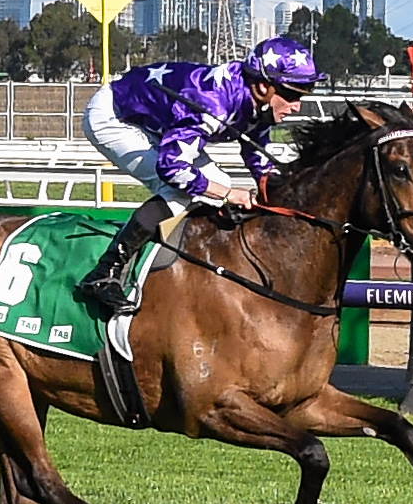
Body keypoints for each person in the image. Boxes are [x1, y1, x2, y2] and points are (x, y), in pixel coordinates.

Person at [73, 34, 320, 319]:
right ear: (264, 86)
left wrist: (274, 189)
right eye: (291, 95)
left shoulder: (255, 98)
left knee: (219, 184)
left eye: (302, 95)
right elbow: (171, 168)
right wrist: (229, 195)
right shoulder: (214, 105)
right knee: (183, 190)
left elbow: (257, 154)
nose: (297, 105)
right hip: (114, 116)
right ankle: (105, 272)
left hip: (158, 120)